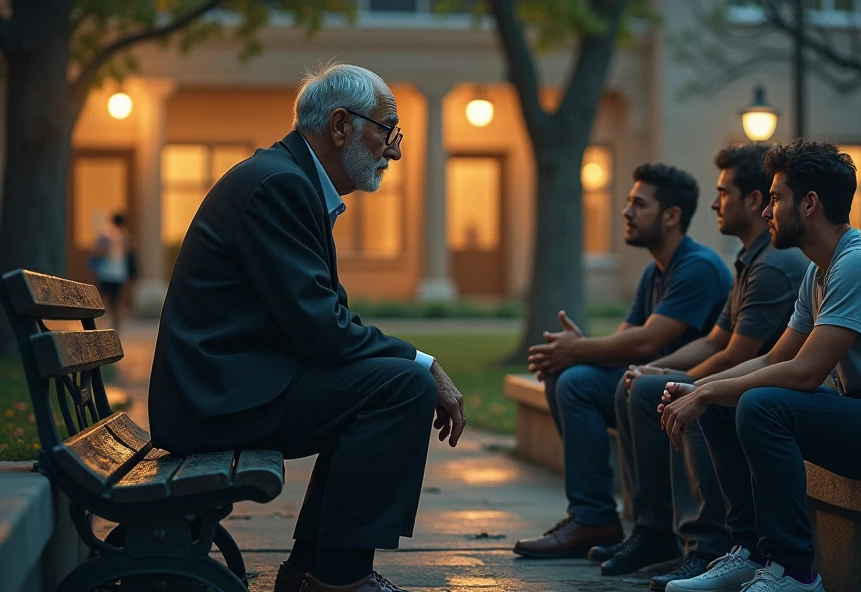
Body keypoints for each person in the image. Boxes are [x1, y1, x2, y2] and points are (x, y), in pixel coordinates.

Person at [148, 63, 467, 592]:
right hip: (214, 400)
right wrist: (422, 363)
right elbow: (323, 331)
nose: (395, 151)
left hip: (225, 388)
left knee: (387, 384)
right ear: (340, 126)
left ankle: (310, 571)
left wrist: (409, 360)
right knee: (401, 387)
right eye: (387, 131)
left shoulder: (287, 179)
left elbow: (326, 319)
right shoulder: (280, 186)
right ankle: (336, 578)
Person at [659, 140, 861, 592]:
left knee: (762, 405)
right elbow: (772, 357)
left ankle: (794, 573)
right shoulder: (819, 271)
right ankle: (751, 553)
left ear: (810, 204)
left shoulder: (860, 264)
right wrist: (699, 388)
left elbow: (804, 373)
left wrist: (705, 391)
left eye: (777, 198)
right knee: (729, 402)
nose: (767, 210)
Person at [596, 145, 809, 587]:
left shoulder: (774, 266)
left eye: (723, 193)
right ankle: (653, 530)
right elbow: (716, 341)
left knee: (679, 395)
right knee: (643, 385)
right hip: (751, 385)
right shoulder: (750, 259)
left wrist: (690, 385)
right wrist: (658, 370)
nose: (714, 204)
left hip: (764, 393)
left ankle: (706, 545)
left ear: (752, 201)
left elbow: (738, 356)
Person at [512, 163, 733, 560]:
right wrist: (576, 349)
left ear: (672, 216)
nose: (626, 212)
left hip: (684, 388)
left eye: (638, 204)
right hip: (644, 389)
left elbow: (648, 342)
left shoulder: (698, 266)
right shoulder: (655, 271)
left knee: (579, 376)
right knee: (569, 376)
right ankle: (591, 515)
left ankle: (626, 525)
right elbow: (626, 340)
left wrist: (576, 349)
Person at [90, 212, 132, 333]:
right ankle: (117, 327)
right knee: (116, 301)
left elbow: (96, 250)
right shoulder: (125, 235)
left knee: (103, 299)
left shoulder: (106, 233)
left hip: (106, 272)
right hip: (118, 273)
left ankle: (99, 324)